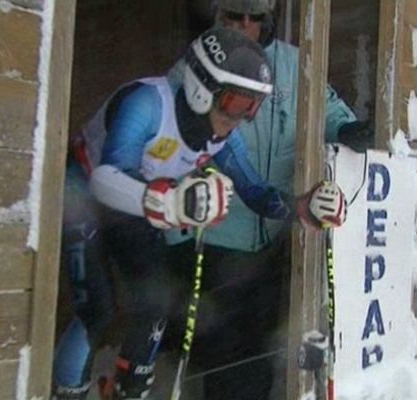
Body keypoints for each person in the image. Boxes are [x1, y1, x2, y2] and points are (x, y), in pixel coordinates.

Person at [52, 27, 347, 400]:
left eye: (253, 107)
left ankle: (130, 390)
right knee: (97, 309)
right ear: (201, 88)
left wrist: (305, 206)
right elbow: (106, 178)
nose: (242, 118)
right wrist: (169, 202)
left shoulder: (222, 135)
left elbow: (256, 193)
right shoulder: (147, 103)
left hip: (141, 205)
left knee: (157, 301)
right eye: (238, 104)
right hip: (86, 194)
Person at [165, 1, 374, 399]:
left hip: (272, 235)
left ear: (269, 20)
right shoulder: (196, 66)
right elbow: (165, 136)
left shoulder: (296, 65)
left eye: (255, 18)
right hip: (218, 236)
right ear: (219, 18)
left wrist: (346, 128)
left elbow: (326, 108)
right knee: (223, 353)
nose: (246, 25)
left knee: (259, 346)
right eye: (235, 17)